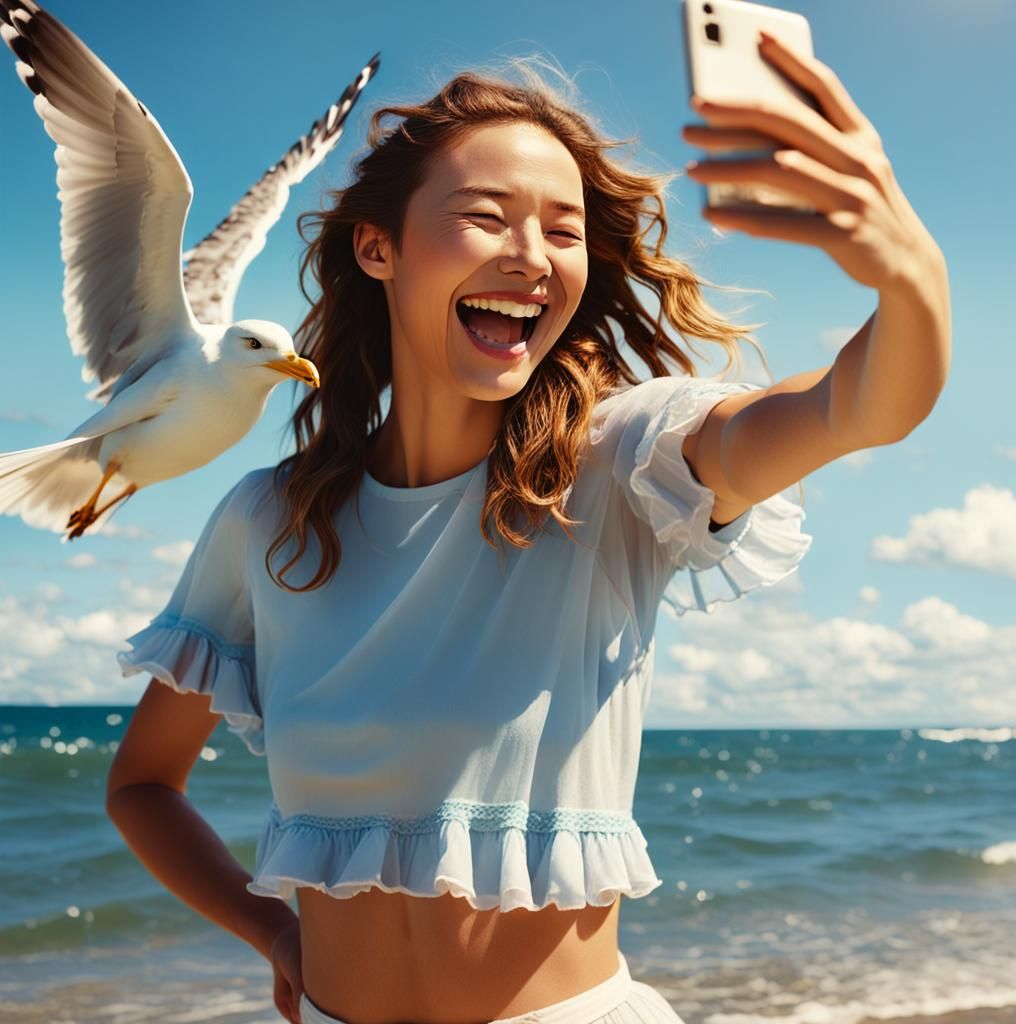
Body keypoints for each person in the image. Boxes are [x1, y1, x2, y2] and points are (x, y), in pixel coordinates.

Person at [107, 42, 950, 1024]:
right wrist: (271, 928)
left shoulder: (625, 461)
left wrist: (910, 277)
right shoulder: (268, 520)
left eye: (563, 229)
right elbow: (143, 786)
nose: (531, 253)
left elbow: (858, 406)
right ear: (378, 247)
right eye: (483, 216)